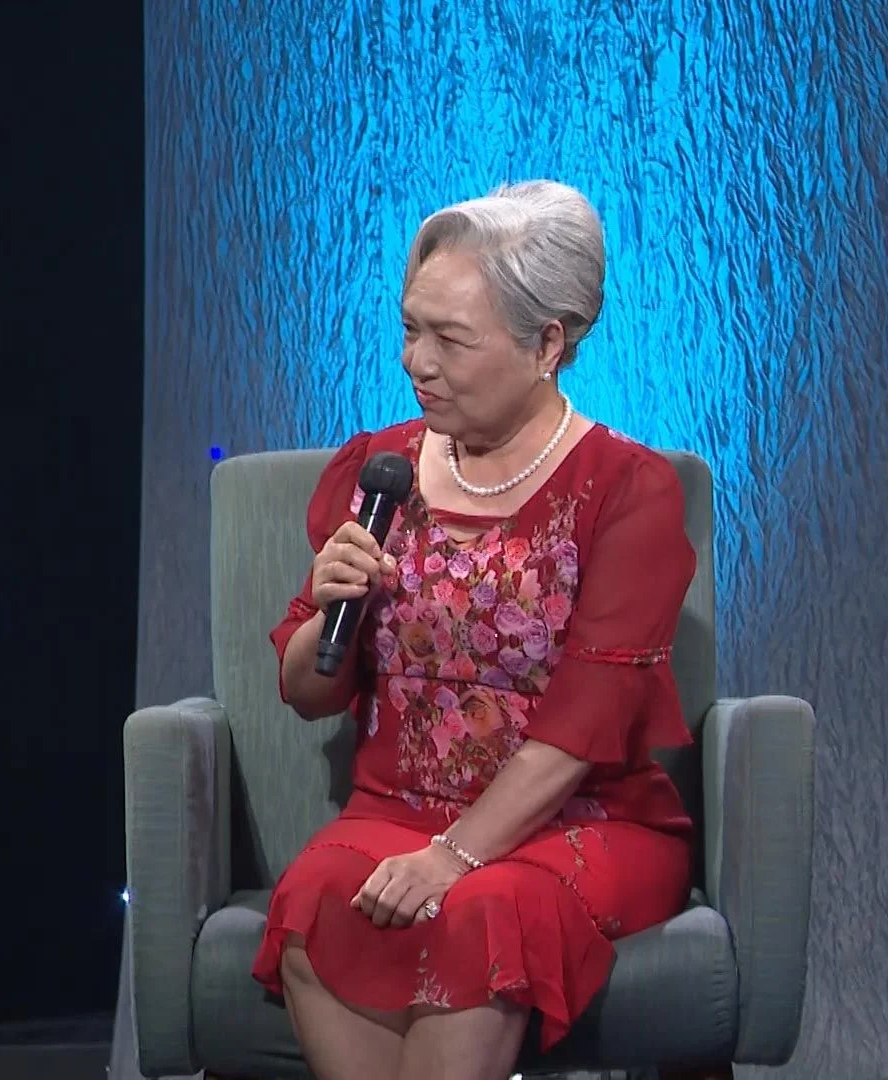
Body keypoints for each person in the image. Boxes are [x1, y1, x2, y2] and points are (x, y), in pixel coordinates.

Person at [250, 181, 696, 1080]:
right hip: (395, 810)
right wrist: (331, 608)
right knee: (318, 892)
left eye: (450, 339)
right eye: (410, 329)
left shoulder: (627, 491)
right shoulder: (377, 471)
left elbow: (582, 727)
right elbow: (306, 691)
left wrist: (453, 855)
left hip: (580, 823)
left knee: (482, 910)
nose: (417, 361)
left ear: (547, 344)